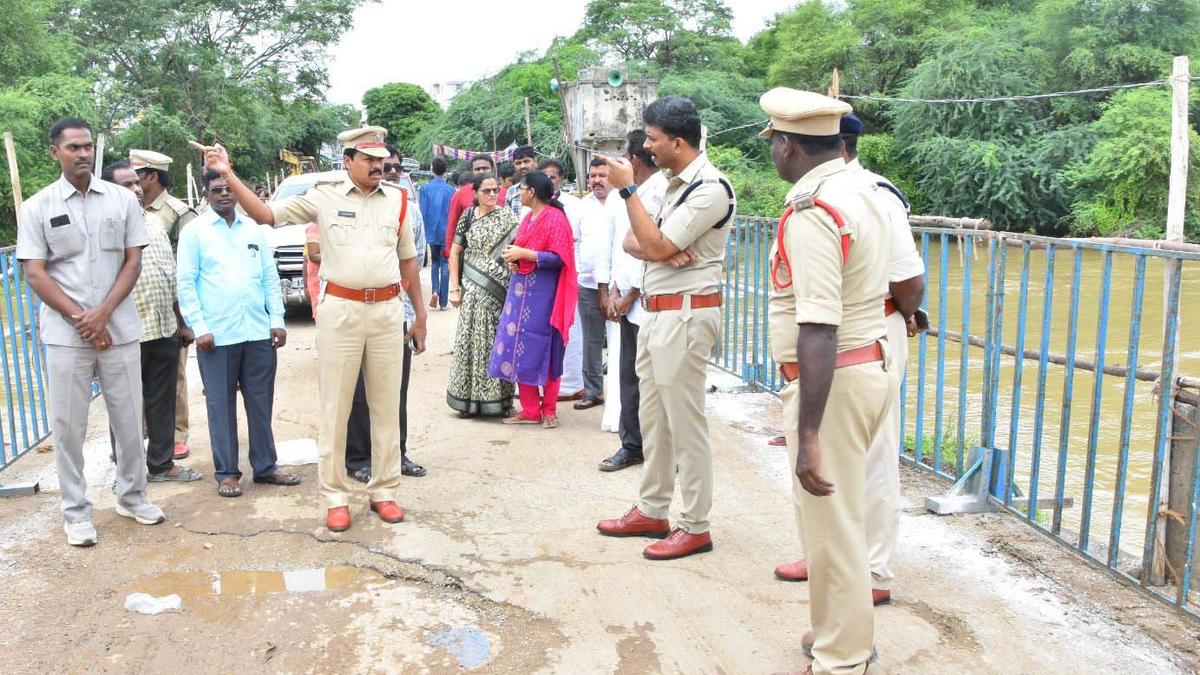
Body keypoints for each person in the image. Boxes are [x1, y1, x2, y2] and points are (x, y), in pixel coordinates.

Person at [197, 125, 427, 532]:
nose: (379, 165)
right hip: (341, 310)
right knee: (335, 408)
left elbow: (408, 259)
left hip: (388, 311)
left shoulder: (399, 200)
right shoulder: (325, 195)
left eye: (382, 158)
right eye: (370, 159)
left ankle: (384, 490)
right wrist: (228, 173)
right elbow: (266, 215)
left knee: (386, 406)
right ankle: (335, 496)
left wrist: (420, 316)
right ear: (348, 161)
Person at [759, 88, 896, 674]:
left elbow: (818, 324)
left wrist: (807, 430)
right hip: (871, 361)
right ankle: (842, 631)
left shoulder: (815, 209)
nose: (772, 149)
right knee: (840, 518)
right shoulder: (862, 187)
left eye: (773, 141)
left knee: (831, 523)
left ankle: (843, 657)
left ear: (787, 145)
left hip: (836, 377)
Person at [772, 113, 926, 611]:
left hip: (865, 330)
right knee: (830, 465)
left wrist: (900, 317)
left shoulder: (871, 193)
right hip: (834, 333)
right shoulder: (820, 195)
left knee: (871, 456)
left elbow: (908, 280)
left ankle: (873, 570)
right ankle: (832, 562)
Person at [595, 96, 736, 561]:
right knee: (654, 420)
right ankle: (653, 509)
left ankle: (695, 524)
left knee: (685, 422)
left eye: (653, 139)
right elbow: (634, 240)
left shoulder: (710, 188)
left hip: (687, 314)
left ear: (677, 141)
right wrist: (658, 245)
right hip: (658, 313)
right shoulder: (669, 185)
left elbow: (650, 241)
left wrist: (631, 197)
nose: (647, 146)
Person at [18, 118, 163, 546]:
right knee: (68, 426)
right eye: (73, 148)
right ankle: (76, 512)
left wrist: (102, 314)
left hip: (118, 327)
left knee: (129, 419)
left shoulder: (121, 200)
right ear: (55, 152)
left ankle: (133, 496)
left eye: (87, 147)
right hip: (66, 334)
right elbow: (35, 273)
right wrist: (83, 318)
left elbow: (132, 262)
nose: (82, 154)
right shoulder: (37, 207)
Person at [176, 171, 300, 497]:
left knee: (261, 403)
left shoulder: (253, 230)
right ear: (206, 195)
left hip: (257, 332)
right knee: (221, 405)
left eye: (229, 189)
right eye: (216, 190)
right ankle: (227, 472)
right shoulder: (195, 232)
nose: (224, 195)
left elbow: (269, 279)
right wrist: (199, 327)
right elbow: (186, 283)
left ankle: (265, 466)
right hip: (216, 336)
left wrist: (278, 320)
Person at [100, 160, 202, 484]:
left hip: (162, 328)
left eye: (136, 183)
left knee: (162, 401)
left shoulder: (154, 223)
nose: (136, 189)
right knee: (125, 407)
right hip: (126, 332)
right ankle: (127, 473)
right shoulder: (103, 230)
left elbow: (169, 276)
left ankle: (161, 464)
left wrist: (181, 324)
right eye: (126, 185)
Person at [344, 147, 429, 482]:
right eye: (382, 166)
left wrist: (416, 315)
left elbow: (415, 260)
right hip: (353, 312)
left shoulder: (406, 207)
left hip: (396, 312)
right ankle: (359, 458)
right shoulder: (345, 203)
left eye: (393, 167)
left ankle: (397, 453)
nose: (389, 172)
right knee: (359, 391)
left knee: (396, 389)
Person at [597, 130, 668, 472]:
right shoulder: (627, 195)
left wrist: (629, 294)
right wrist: (612, 288)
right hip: (626, 297)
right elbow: (621, 247)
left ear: (634, 161)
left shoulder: (662, 192)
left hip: (647, 299)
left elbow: (652, 250)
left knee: (655, 383)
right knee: (628, 377)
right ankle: (632, 444)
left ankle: (659, 449)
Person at [488, 171, 578, 429]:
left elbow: (561, 258)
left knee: (547, 347)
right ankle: (530, 410)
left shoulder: (556, 218)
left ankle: (548, 409)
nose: (518, 192)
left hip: (545, 295)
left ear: (532, 192)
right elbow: (523, 253)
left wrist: (525, 253)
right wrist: (516, 261)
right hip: (520, 292)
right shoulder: (527, 218)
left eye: (522, 188)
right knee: (518, 347)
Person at [130, 149, 198, 463]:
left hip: (172, 305)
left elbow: (190, 265)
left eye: (137, 177)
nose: (133, 184)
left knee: (174, 375)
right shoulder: (126, 209)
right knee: (136, 376)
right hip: (136, 304)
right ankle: (144, 436)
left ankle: (175, 435)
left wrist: (187, 317)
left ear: (152, 177)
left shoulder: (178, 214)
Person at [445, 172, 520, 416]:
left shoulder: (508, 216)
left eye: (494, 190)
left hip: (499, 292)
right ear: (475, 194)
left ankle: (500, 401)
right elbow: (456, 252)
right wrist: (454, 288)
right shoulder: (468, 216)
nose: (491, 195)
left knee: (497, 344)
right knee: (469, 342)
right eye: (486, 191)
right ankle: (467, 401)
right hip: (472, 289)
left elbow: (515, 252)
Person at [538, 158, 586, 401]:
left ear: (561, 179)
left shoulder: (575, 206)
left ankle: (571, 384)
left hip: (570, 272)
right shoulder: (532, 206)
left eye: (553, 177)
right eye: (544, 177)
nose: (548, 182)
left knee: (571, 328)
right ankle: (542, 383)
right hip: (541, 275)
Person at [572, 158, 614, 410]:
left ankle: (624, 393)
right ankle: (593, 391)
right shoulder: (581, 207)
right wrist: (579, 270)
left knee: (622, 340)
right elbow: (575, 241)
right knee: (592, 339)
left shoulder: (622, 203)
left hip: (618, 284)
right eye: (593, 175)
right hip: (587, 282)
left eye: (602, 175)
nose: (596, 180)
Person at [443, 155, 498, 265]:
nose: (481, 171)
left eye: (485, 168)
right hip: (469, 259)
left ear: (492, 169)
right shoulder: (460, 194)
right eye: (477, 169)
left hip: (498, 258)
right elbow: (452, 225)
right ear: (471, 172)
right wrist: (450, 255)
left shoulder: (503, 193)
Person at [419, 157, 455, 310]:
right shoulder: (451, 190)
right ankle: (444, 302)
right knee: (445, 264)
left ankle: (434, 290)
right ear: (445, 170)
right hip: (446, 233)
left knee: (434, 263)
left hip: (431, 233)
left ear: (432, 169)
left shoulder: (425, 189)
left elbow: (422, 212)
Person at [505, 145, 538, 216]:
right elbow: (508, 220)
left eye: (526, 161)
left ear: (535, 161)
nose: (522, 166)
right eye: (518, 163)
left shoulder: (545, 186)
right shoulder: (511, 191)